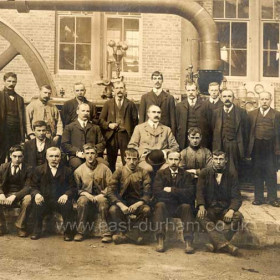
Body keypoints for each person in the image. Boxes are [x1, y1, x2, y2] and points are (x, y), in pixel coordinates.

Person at [196, 150, 243, 256]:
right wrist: (201, 206)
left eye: (221, 159)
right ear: (212, 160)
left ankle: (214, 243)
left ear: (225, 160)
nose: (218, 162)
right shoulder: (204, 173)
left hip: (224, 209)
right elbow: (199, 192)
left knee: (238, 216)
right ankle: (226, 246)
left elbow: (237, 197)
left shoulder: (231, 175)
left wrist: (231, 210)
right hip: (210, 208)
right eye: (216, 159)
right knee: (201, 217)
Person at [153, 151, 196, 253]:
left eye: (176, 159)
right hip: (165, 207)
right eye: (171, 159)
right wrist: (179, 194)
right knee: (159, 205)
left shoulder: (186, 175)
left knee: (186, 206)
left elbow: (190, 193)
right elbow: (157, 192)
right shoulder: (160, 174)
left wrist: (171, 190)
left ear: (180, 161)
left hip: (179, 207)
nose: (173, 162)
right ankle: (160, 240)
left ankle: (188, 241)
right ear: (167, 160)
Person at [30, 147, 77, 241]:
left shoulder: (67, 171)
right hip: (45, 200)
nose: (54, 159)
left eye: (56, 156)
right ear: (46, 157)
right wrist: (37, 194)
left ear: (60, 157)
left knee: (67, 205)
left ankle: (68, 232)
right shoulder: (39, 170)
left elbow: (73, 188)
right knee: (36, 203)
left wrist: (66, 195)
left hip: (59, 200)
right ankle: (36, 231)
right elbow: (33, 186)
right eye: (51, 156)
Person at [107, 148, 151, 245]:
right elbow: (110, 191)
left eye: (134, 159)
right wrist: (121, 205)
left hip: (138, 202)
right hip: (123, 203)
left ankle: (126, 237)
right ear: (125, 159)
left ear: (138, 159)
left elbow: (148, 192)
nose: (132, 162)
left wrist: (138, 204)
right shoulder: (119, 171)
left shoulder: (144, 172)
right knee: (113, 210)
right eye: (129, 159)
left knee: (146, 210)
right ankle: (124, 233)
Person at [74, 144, 113, 242]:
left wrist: (102, 194)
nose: (90, 156)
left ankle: (106, 233)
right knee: (82, 202)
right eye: (87, 153)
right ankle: (80, 232)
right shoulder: (79, 171)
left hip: (101, 195)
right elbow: (76, 189)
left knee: (103, 202)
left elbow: (112, 186)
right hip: (86, 195)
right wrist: (86, 194)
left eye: (92, 153)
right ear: (83, 155)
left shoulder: (105, 168)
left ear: (96, 155)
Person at [247, 92, 280, 207]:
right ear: (259, 100)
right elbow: (247, 132)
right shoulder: (251, 114)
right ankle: (258, 198)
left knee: (271, 172)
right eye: (262, 99)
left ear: (270, 100)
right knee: (257, 172)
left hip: (271, 148)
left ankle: (272, 198)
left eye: (267, 99)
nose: (264, 101)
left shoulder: (277, 114)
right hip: (257, 147)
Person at [99, 80, 138, 172]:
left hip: (125, 135)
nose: (119, 90)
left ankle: (127, 180)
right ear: (113, 90)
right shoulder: (108, 104)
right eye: (117, 88)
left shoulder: (131, 104)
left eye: (121, 88)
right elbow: (101, 120)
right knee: (111, 161)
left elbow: (135, 121)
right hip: (112, 136)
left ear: (125, 90)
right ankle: (111, 181)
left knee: (127, 160)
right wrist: (109, 125)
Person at [128, 105, 179, 172]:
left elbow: (175, 147)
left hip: (162, 160)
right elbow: (132, 146)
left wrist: (163, 152)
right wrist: (143, 152)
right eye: (154, 112)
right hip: (145, 159)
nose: (156, 114)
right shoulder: (139, 128)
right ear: (148, 114)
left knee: (165, 170)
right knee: (147, 169)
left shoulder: (166, 129)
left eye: (158, 112)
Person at [212, 89, 248, 175]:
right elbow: (213, 129)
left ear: (233, 98)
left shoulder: (241, 112)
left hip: (236, 145)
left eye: (229, 96)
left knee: (235, 168)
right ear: (221, 98)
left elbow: (245, 132)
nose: (227, 98)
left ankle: (235, 187)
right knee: (221, 168)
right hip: (221, 144)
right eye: (224, 96)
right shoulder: (216, 112)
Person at [61, 103, 106, 170]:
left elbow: (102, 143)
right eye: (83, 111)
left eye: (87, 111)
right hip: (76, 156)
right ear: (77, 111)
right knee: (77, 164)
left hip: (93, 156)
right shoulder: (69, 127)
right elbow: (65, 144)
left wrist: (92, 151)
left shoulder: (95, 127)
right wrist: (77, 152)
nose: (85, 113)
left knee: (104, 164)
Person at [0, 145, 32, 237]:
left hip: (20, 195)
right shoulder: (3, 167)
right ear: (10, 156)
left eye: (20, 156)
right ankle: (1, 226)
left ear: (23, 157)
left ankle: (20, 226)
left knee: (28, 199)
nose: (17, 159)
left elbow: (28, 187)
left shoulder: (28, 169)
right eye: (14, 156)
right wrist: (1, 194)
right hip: (6, 194)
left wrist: (15, 196)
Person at [138, 71, 176, 136]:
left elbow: (173, 119)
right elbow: (141, 118)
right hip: (148, 132)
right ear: (152, 80)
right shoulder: (145, 97)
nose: (157, 81)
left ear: (162, 80)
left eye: (159, 78)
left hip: (164, 132)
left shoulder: (170, 98)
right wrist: (141, 134)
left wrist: (172, 134)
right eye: (155, 78)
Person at [0, 72, 26, 164]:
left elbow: (23, 119)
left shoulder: (19, 99)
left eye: (14, 81)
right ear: (4, 81)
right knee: (1, 155)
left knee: (15, 156)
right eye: (9, 81)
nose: (11, 83)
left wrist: (23, 136)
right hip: (2, 132)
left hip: (15, 132)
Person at [176, 82, 206, 150]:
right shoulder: (179, 106)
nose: (191, 92)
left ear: (197, 91)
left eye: (193, 90)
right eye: (189, 90)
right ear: (186, 91)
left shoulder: (204, 105)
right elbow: (176, 123)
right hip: (184, 139)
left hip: (200, 139)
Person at [200, 82, 224, 149]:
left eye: (216, 90)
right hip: (206, 137)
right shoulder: (203, 105)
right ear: (209, 91)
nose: (214, 92)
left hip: (219, 137)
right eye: (212, 90)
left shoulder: (222, 105)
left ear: (219, 91)